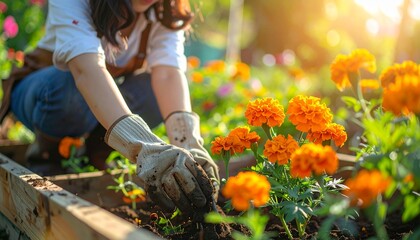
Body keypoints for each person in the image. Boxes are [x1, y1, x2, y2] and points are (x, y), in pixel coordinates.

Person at [0, 0, 219, 213]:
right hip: (44, 95)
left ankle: (97, 154)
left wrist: (189, 144)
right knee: (68, 87)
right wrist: (144, 147)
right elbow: (86, 69)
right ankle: (48, 157)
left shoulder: (164, 9)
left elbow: (168, 74)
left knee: (153, 91)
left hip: (93, 105)